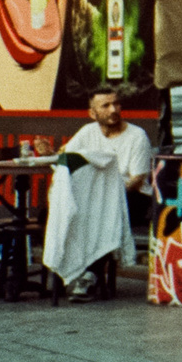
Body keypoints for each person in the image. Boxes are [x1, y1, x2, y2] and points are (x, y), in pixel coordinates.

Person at [41, 88, 155, 295]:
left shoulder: (137, 136)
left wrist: (107, 197)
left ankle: (89, 275)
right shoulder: (87, 132)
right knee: (59, 213)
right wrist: (50, 153)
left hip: (132, 198)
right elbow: (67, 156)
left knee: (98, 214)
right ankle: (74, 271)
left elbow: (137, 180)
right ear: (92, 113)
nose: (114, 109)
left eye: (116, 104)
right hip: (94, 199)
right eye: (106, 105)